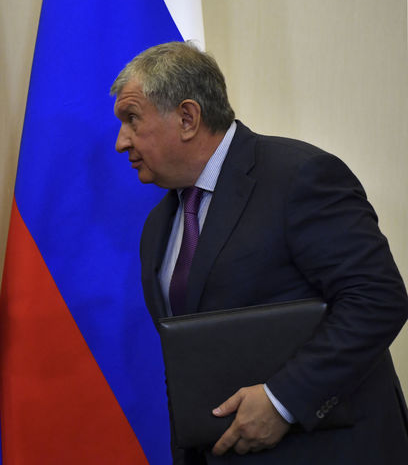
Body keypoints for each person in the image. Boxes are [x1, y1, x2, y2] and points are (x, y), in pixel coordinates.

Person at [111, 41, 408, 464]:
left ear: (188, 117)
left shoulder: (299, 176)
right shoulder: (159, 224)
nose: (121, 142)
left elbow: (377, 299)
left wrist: (282, 400)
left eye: (132, 120)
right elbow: (189, 357)